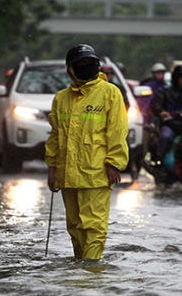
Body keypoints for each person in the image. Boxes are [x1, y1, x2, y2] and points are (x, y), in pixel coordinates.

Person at [45, 44, 129, 261]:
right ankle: (80, 266)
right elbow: (55, 136)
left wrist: (114, 163)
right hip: (67, 175)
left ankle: (90, 271)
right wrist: (52, 168)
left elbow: (117, 131)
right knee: (74, 226)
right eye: (80, 64)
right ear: (70, 69)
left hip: (96, 173)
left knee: (93, 226)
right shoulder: (61, 99)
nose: (86, 67)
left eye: (90, 63)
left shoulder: (110, 93)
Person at [149, 64, 182, 161]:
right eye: (181, 78)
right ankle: (159, 161)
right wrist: (162, 112)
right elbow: (155, 105)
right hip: (171, 125)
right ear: (175, 78)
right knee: (166, 137)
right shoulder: (165, 91)